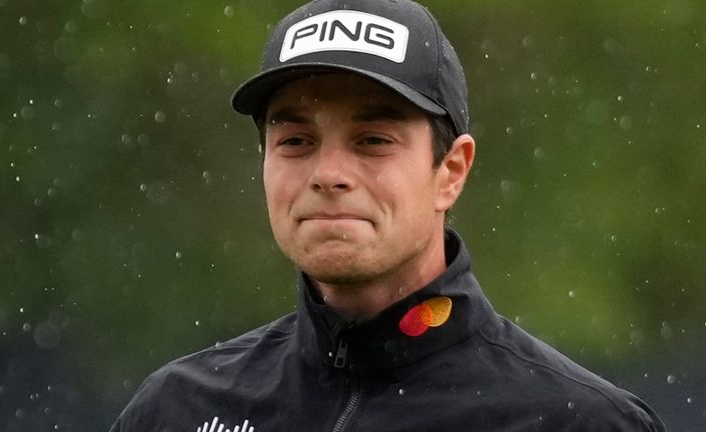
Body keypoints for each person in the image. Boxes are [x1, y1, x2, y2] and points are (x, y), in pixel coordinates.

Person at [110, 0, 666, 430]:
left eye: (372, 140)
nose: (328, 173)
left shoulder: (575, 422)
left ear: (450, 170)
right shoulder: (178, 410)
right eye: (296, 140)